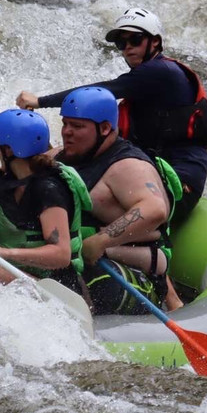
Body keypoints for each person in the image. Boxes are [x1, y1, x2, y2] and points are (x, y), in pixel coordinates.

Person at [16, 7, 207, 224]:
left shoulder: (161, 72)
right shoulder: (150, 78)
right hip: (153, 169)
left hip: (179, 182)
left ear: (155, 42)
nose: (128, 48)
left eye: (135, 40)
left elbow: (94, 94)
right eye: (122, 43)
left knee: (86, 193)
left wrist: (39, 101)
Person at [56, 86, 176, 315]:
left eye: (77, 126)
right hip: (73, 259)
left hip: (124, 270)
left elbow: (155, 209)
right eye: (65, 124)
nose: (67, 132)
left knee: (98, 284)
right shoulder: (63, 156)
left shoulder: (127, 166)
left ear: (104, 128)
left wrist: (100, 241)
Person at [0, 109, 91, 298]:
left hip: (56, 288)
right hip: (20, 274)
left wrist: (6, 254)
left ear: (8, 150)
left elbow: (61, 254)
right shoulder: (7, 181)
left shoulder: (48, 188)